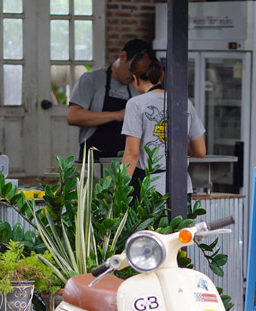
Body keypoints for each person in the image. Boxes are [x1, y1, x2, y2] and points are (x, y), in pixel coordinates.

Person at [121, 50, 206, 196]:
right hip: (181, 187)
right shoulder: (184, 103)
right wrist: (173, 143)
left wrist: (119, 190)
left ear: (135, 79)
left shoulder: (135, 104)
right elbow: (200, 151)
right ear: (161, 75)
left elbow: (132, 154)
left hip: (149, 190)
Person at [67, 39, 151, 160]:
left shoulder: (138, 86)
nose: (135, 76)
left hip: (127, 161)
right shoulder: (92, 79)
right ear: (123, 57)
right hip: (94, 161)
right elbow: (73, 116)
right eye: (133, 69)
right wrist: (117, 115)